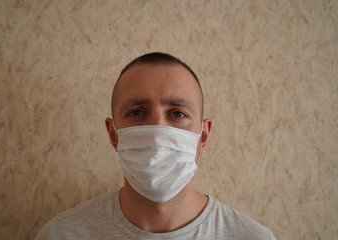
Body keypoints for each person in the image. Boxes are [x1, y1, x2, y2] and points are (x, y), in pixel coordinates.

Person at [36, 52, 276, 239]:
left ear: (203, 137)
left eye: (177, 113)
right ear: (113, 135)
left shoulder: (252, 237)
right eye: (137, 112)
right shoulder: (61, 235)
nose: (158, 133)